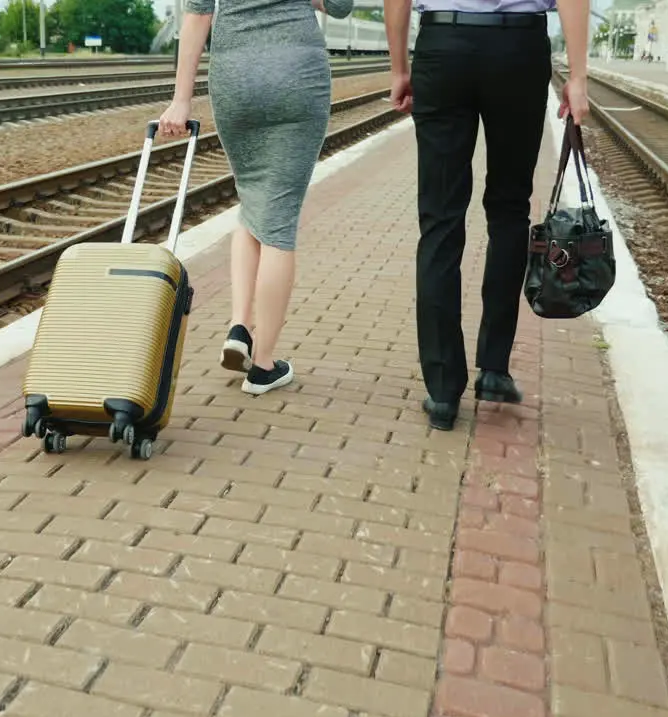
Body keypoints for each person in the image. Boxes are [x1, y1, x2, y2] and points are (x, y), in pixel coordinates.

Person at [382, 0, 590, 430]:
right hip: (519, 48)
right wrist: (578, 76)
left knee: (439, 221)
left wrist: (399, 67)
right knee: (510, 210)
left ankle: (442, 391)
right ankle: (494, 367)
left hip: (443, 45)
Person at [159, 0, 353, 396]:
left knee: (251, 201)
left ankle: (239, 326)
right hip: (297, 76)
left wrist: (182, 98)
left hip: (235, 79)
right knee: (279, 222)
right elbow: (341, 6)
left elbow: (197, 14)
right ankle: (263, 365)